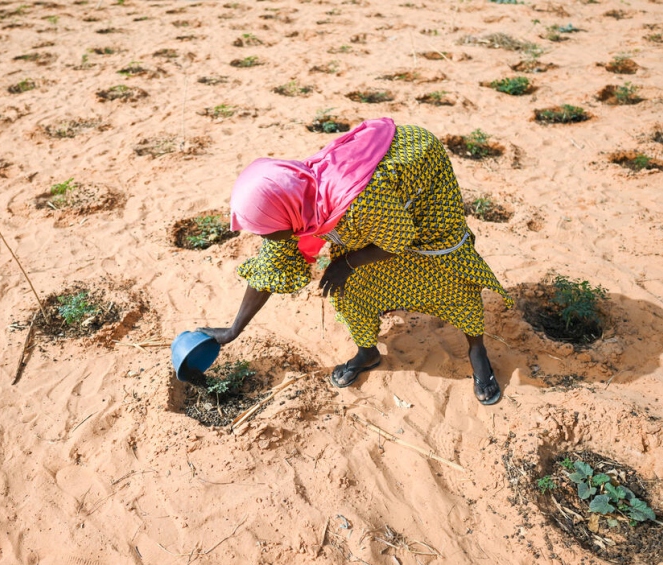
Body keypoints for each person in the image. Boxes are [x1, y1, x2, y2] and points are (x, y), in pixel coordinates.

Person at [199, 117, 513, 405]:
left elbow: (399, 241)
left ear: (284, 216)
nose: (265, 238)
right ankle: (367, 353)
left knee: (448, 277)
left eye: (267, 230)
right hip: (373, 205)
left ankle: (476, 349)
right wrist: (233, 330)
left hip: (419, 175)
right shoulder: (297, 201)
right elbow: (270, 269)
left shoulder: (359, 203)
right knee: (349, 290)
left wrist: (346, 263)